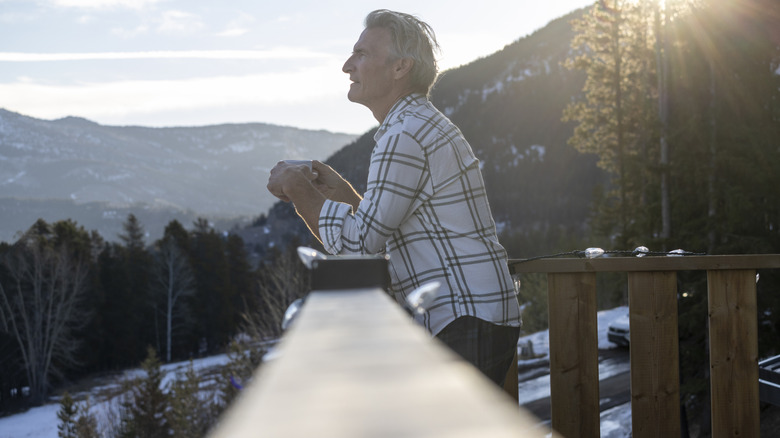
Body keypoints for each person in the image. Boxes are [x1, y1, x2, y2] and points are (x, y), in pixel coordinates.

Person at [267, 9, 522, 388]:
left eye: (362, 54)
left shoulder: (404, 135)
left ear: (401, 67)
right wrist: (342, 193)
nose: (347, 65)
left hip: (462, 318)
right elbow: (388, 229)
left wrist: (300, 191)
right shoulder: (418, 125)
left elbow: (359, 246)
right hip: (476, 315)